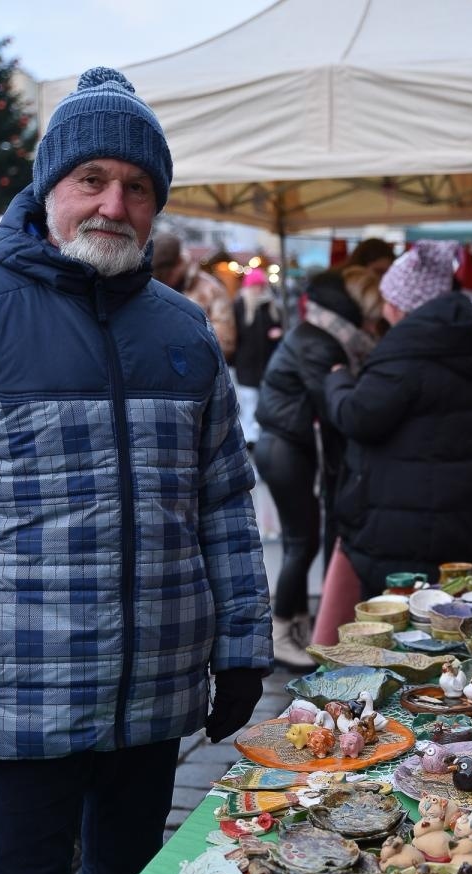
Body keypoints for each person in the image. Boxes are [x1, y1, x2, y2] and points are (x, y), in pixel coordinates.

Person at [0, 66, 272, 874]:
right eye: (91, 178)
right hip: (22, 697)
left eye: (137, 186)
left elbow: (225, 504)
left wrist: (241, 649)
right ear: (48, 187)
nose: (113, 203)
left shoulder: (184, 330)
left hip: (155, 696)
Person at [325, 240, 472, 599]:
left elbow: (358, 416)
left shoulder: (407, 354)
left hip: (404, 528)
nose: (384, 309)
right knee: (450, 619)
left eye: (388, 299)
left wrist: (337, 381)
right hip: (452, 515)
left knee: (398, 625)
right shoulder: (459, 342)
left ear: (402, 306)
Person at [254, 268, 381, 669]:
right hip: (285, 448)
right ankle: (279, 632)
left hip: (288, 447)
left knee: (301, 541)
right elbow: (333, 410)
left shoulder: (316, 335)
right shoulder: (319, 343)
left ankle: (296, 624)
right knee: (301, 542)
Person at [151, 232, 237, 361]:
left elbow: (224, 343)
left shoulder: (211, 289)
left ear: (180, 262)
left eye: (167, 274)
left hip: (195, 368)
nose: (164, 279)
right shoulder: (150, 286)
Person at [232, 267, 282, 447]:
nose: (260, 289)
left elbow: (279, 326)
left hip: (268, 362)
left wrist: (279, 332)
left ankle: (261, 435)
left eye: (262, 286)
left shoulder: (271, 306)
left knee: (264, 401)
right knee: (248, 401)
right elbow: (234, 335)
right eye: (256, 286)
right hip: (246, 363)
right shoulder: (239, 305)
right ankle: (249, 437)